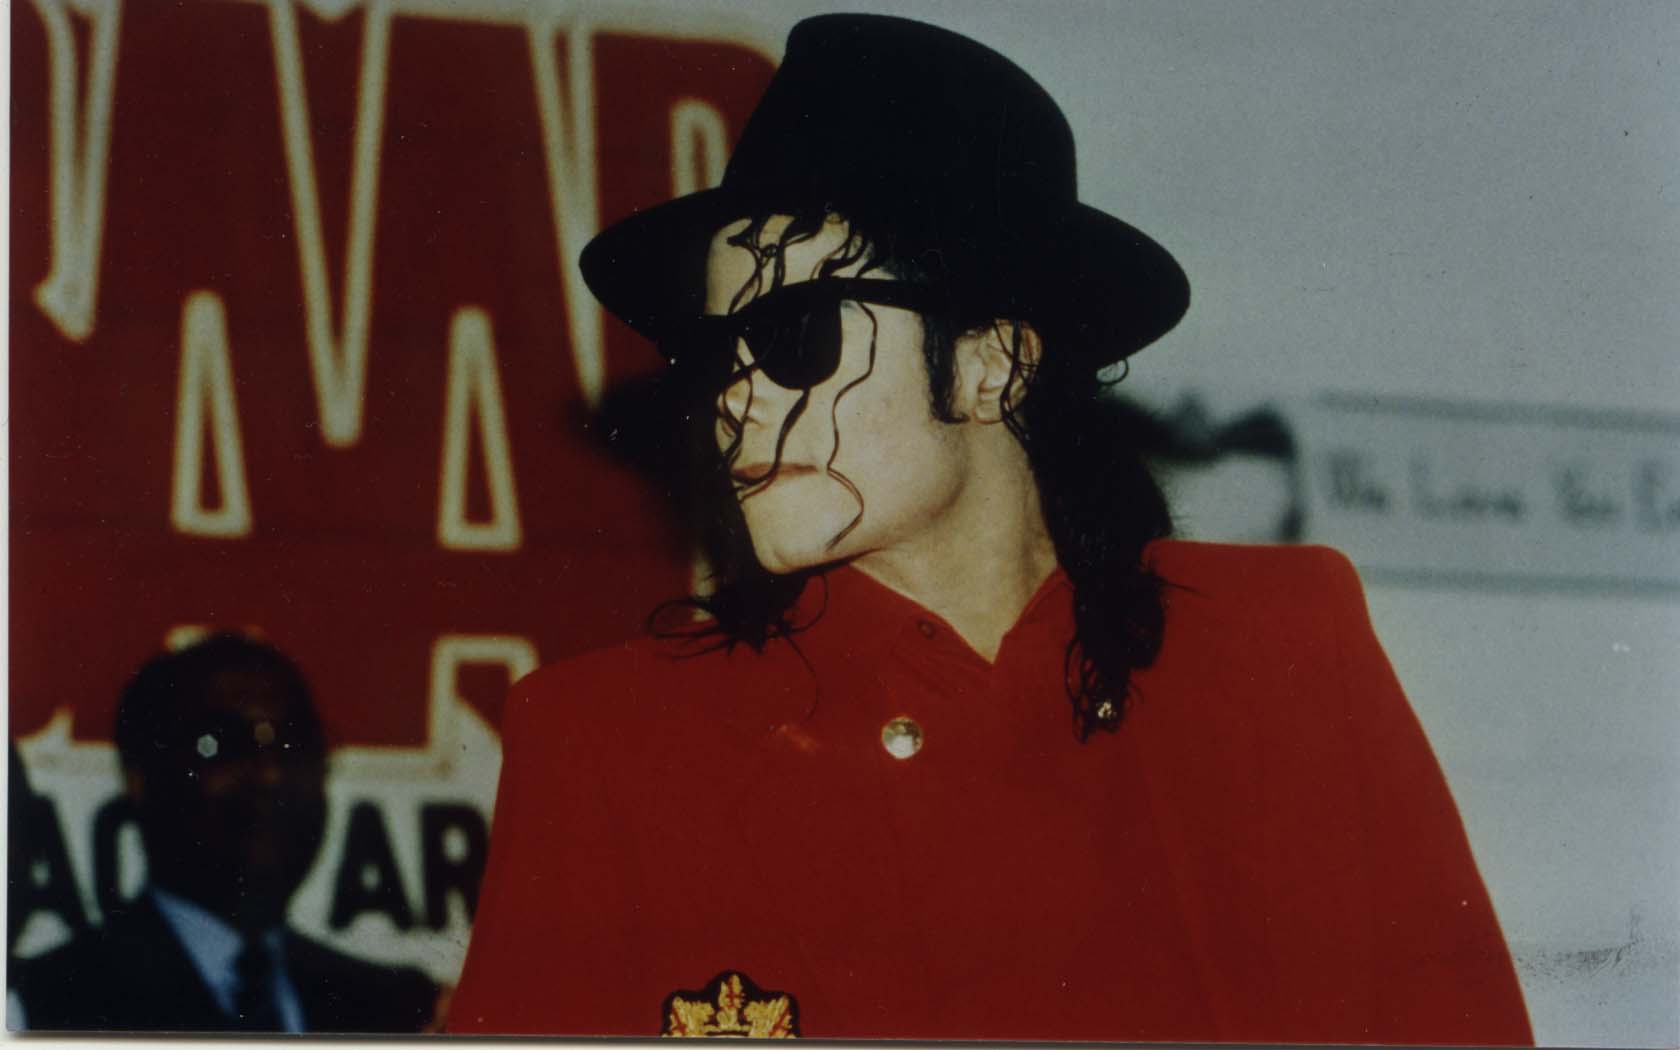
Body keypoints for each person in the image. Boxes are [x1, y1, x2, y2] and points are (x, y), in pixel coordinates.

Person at [450, 14, 1532, 1043]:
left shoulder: (1273, 652)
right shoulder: (609, 745)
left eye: (792, 335)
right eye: (715, 353)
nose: (735, 397)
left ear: (990, 364)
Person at [9, 634, 439, 1033]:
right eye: (219, 744)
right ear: (139, 777)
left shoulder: (400, 1012)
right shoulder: (46, 1007)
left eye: (296, 743)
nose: (271, 775)